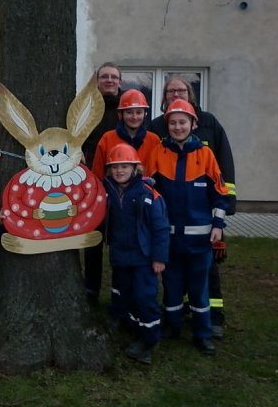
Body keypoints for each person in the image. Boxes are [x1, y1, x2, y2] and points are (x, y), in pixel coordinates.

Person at [149, 75, 236, 339]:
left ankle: (208, 327)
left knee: (203, 282)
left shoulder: (208, 141)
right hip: (171, 233)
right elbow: (149, 187)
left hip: (201, 234)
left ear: (193, 123)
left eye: (182, 122)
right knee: (172, 282)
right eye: (173, 123)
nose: (177, 127)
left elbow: (221, 184)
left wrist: (220, 221)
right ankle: (174, 323)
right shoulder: (157, 142)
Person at [102, 143, 169, 364]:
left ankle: (149, 340)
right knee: (123, 294)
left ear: (134, 168)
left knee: (144, 297)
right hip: (120, 257)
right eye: (115, 167)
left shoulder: (148, 194)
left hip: (144, 259)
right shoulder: (108, 190)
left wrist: (159, 258)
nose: (119, 170)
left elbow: (160, 228)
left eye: (124, 166)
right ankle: (131, 328)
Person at [81, 62, 124, 304]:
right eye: (104, 76)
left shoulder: (127, 107)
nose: (109, 80)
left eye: (113, 77)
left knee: (120, 238)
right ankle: (91, 288)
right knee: (93, 237)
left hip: (122, 182)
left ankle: (120, 289)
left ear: (120, 81)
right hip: (93, 181)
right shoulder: (88, 107)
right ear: (97, 81)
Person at [91, 89, 161, 180]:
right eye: (129, 112)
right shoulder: (107, 139)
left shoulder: (154, 140)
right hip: (113, 192)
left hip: (145, 192)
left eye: (139, 112)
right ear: (120, 115)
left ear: (145, 114)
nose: (134, 117)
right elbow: (97, 175)